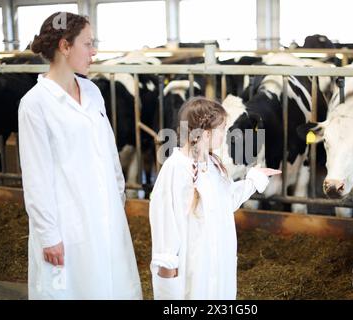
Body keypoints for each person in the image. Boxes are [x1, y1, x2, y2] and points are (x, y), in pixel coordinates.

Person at [18, 12, 142, 299]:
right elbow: (36, 177)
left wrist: (119, 195)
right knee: (77, 289)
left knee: (114, 285)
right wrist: (49, 236)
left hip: (106, 214)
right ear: (64, 46)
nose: (94, 51)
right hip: (68, 222)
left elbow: (109, 150)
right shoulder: (35, 104)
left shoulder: (92, 90)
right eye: (88, 43)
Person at [149, 97, 281, 299]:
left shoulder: (212, 165)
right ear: (206, 132)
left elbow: (226, 201)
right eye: (223, 128)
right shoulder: (175, 168)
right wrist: (167, 266)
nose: (225, 134)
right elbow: (165, 218)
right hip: (193, 264)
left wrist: (254, 179)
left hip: (217, 262)